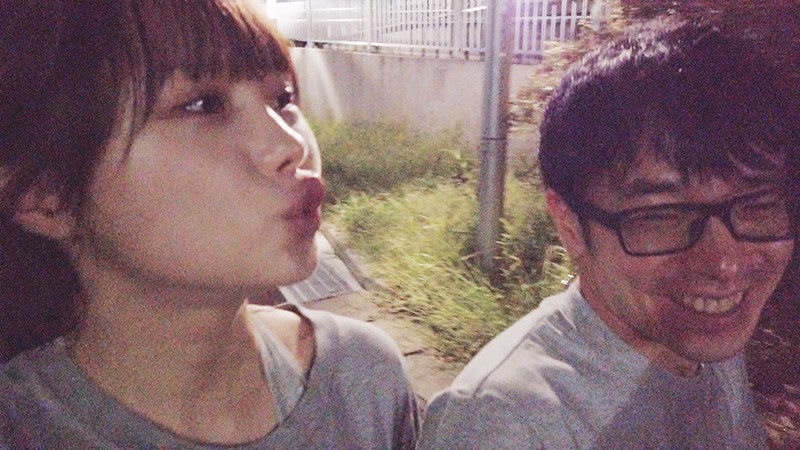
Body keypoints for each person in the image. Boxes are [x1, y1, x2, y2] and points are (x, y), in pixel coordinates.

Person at [0, 1, 418, 447]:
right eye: (202, 105)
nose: (292, 145)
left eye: (282, 99)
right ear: (48, 197)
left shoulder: (362, 380)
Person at [419, 17, 797, 449]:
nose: (725, 263)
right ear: (570, 226)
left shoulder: (705, 340)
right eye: (662, 217)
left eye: (758, 205)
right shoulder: (505, 423)